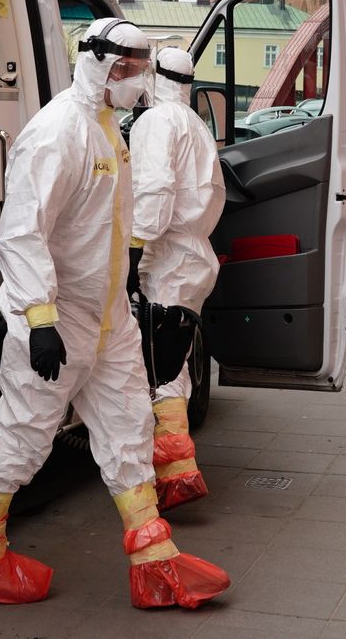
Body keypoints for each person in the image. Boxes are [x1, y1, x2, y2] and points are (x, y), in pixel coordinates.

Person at [0, 19, 229, 609]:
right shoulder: (56, 134)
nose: (137, 79)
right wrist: (39, 318)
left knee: (130, 428)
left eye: (142, 67)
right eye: (129, 68)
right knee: (24, 434)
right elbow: (22, 232)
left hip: (107, 320)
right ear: (100, 62)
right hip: (56, 321)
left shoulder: (108, 131)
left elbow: (111, 224)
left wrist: (125, 286)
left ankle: (155, 563)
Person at [127, 47, 224, 511]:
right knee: (174, 363)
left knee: (157, 366)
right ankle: (177, 469)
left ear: (152, 75)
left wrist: (131, 254)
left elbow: (154, 192)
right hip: (193, 257)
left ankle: (175, 472)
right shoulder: (196, 124)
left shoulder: (155, 122)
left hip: (165, 257)